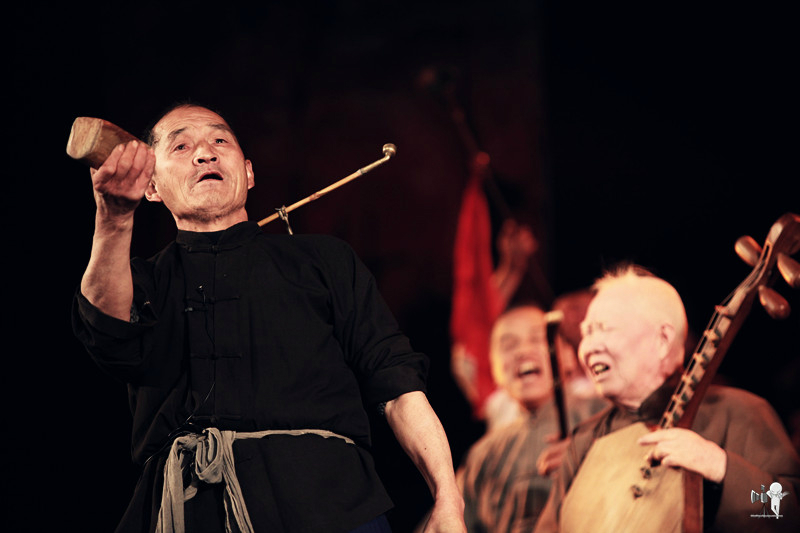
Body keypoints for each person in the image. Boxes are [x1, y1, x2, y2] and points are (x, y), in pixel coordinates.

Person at [72, 103, 466, 533]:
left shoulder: (324, 262)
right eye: (181, 146)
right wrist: (113, 218)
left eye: (219, 140)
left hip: (331, 506)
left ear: (248, 172)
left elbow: (398, 386)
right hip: (189, 514)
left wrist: (448, 498)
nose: (205, 152)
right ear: (152, 186)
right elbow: (106, 333)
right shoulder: (142, 282)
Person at [533, 265, 800, 533]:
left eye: (604, 329)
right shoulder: (585, 440)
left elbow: (788, 513)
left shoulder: (738, 412)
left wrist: (720, 467)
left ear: (663, 339)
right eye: (586, 333)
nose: (588, 347)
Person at [458, 305, 606, 532]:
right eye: (508, 345)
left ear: (568, 355)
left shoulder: (605, 416)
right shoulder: (481, 457)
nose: (523, 351)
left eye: (537, 339)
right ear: (494, 367)